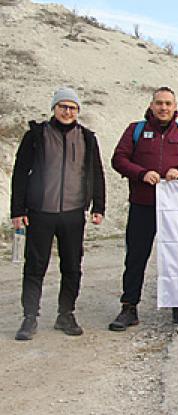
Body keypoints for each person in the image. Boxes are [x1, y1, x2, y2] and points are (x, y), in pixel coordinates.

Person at [109, 87, 178, 330]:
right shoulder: (136, 130)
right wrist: (141, 173)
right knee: (136, 257)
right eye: (159, 103)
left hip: (175, 209)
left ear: (175, 107)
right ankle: (129, 307)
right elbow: (118, 159)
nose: (164, 108)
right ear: (151, 105)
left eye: (168, 104)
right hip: (143, 205)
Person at [11, 87, 106, 341]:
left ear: (78, 111)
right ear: (54, 108)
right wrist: (17, 210)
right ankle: (30, 317)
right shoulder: (36, 134)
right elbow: (20, 173)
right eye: (63, 106)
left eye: (72, 108)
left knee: (72, 266)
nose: (67, 112)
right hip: (40, 212)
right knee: (35, 266)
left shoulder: (87, 137)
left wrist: (99, 207)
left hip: (74, 213)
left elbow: (96, 172)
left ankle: (66, 314)